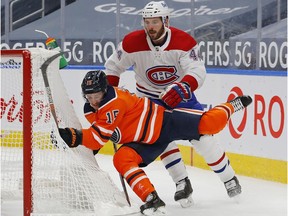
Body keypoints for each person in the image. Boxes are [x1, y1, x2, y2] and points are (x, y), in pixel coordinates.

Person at [104, 0, 244, 207]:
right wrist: (110, 98)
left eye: (154, 22)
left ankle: (229, 177)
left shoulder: (183, 41)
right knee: (160, 137)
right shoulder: (131, 43)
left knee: (203, 137)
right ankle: (181, 182)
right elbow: (112, 68)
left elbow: (197, 71)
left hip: (181, 97)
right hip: (148, 101)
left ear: (165, 21)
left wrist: (182, 87)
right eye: (147, 22)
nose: (150, 27)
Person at [58, 70, 252, 215]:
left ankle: (230, 106)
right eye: (89, 97)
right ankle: (151, 198)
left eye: (96, 96)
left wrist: (74, 137)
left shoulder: (113, 101)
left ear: (105, 90)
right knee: (122, 159)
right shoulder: (91, 109)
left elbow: (98, 136)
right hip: (144, 142)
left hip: (164, 122)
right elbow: (101, 137)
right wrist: (77, 142)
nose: (93, 101)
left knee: (208, 124)